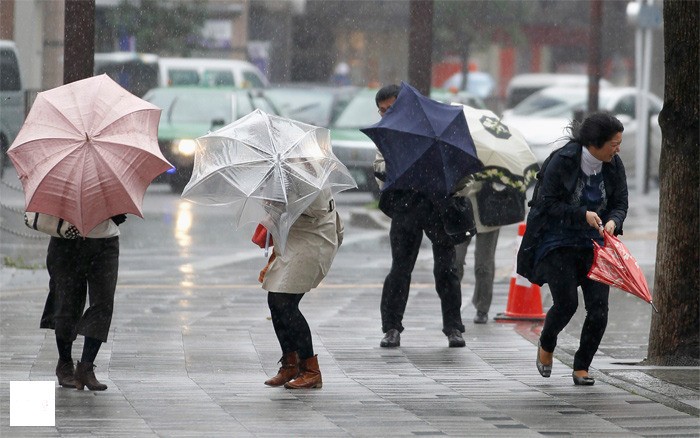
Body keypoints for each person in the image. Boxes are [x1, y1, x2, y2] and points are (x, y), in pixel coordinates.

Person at [517, 112, 628, 386]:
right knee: (566, 304)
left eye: (619, 143)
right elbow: (547, 204)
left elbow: (620, 201)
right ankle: (547, 342)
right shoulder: (563, 160)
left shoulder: (614, 165)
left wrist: (614, 220)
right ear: (595, 143)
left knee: (599, 309)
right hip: (559, 242)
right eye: (614, 143)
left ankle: (582, 366)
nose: (618, 149)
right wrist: (582, 214)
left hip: (595, 245)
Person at [372, 84, 467, 349]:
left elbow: (460, 170)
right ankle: (391, 327)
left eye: (390, 109)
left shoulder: (434, 125)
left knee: (446, 269)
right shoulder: (388, 135)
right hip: (407, 205)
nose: (385, 115)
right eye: (381, 111)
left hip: (439, 204)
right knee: (400, 269)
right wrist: (396, 163)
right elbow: (379, 168)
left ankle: (453, 327)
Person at [261, 187, 343, 389]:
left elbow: (317, 208)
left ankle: (311, 370)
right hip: (294, 238)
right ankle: (290, 364)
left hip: (314, 236)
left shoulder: (308, 166)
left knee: (285, 302)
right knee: (276, 300)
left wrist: (285, 199)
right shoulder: (278, 171)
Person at [36, 213, 126, 391]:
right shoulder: (61, 184)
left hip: (105, 241)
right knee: (66, 303)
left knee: (103, 303)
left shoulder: (105, 184)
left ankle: (86, 367)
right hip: (66, 241)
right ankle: (65, 363)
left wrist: (116, 213)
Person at [453, 180, 501, 324]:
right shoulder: (460, 158)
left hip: (489, 211)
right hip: (460, 211)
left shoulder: (495, 158)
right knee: (455, 262)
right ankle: (452, 308)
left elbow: (505, 182)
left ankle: (482, 308)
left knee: (483, 265)